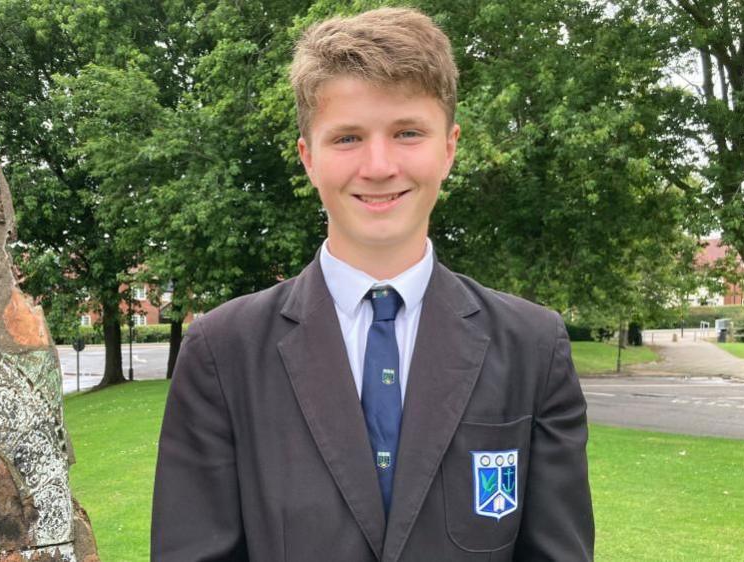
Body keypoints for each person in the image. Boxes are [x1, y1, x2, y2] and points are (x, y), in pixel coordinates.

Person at [151, 7, 594, 561]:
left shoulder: (532, 346)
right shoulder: (223, 351)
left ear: (449, 147)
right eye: (347, 138)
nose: (379, 165)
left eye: (408, 132)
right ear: (308, 159)